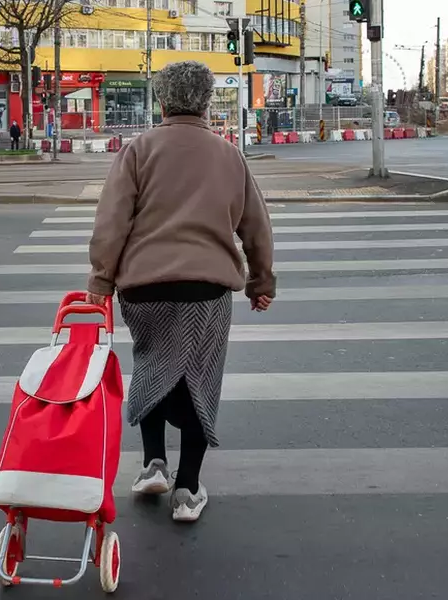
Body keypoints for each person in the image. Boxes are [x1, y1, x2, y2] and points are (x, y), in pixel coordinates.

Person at [85, 60, 275, 523]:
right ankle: (188, 490)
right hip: (205, 292)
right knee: (199, 380)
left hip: (143, 287)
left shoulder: (139, 150)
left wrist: (100, 282)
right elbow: (256, 226)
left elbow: (111, 222)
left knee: (152, 364)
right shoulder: (229, 155)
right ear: (208, 102)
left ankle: (153, 463)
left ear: (162, 101)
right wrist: (260, 282)